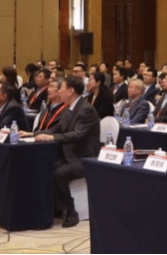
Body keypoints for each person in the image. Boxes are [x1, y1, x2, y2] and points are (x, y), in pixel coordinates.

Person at [30, 76, 100, 228]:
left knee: (58, 174)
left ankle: (71, 211)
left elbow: (78, 134)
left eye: (61, 88)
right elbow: (57, 128)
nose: (59, 91)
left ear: (70, 91)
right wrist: (32, 134)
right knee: (46, 167)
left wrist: (52, 137)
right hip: (70, 155)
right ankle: (55, 208)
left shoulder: (86, 109)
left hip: (84, 157)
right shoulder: (70, 108)